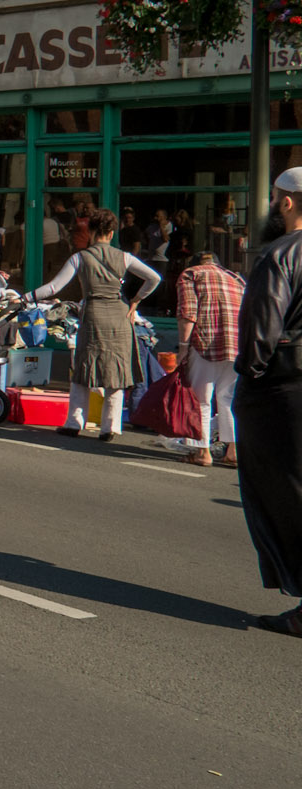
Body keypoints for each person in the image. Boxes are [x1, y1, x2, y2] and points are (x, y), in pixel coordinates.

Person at [237, 168, 302, 637]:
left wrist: (249, 376)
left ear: (285, 203)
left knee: (286, 494)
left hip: (283, 391)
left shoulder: (279, 254)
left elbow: (260, 334)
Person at [30, 207, 160, 440]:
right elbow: (154, 278)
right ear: (111, 234)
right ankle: (110, 427)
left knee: (84, 367)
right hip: (120, 316)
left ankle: (74, 422)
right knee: (116, 371)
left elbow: (53, 288)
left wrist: (26, 297)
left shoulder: (80, 257)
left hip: (93, 314)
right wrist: (135, 300)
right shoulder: (124, 257)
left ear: (90, 231)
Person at [176, 252, 244, 468]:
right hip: (237, 344)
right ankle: (233, 451)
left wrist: (183, 347)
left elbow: (188, 313)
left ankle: (202, 451)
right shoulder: (236, 279)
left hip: (205, 342)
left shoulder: (190, 275)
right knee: (228, 399)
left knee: (201, 400)